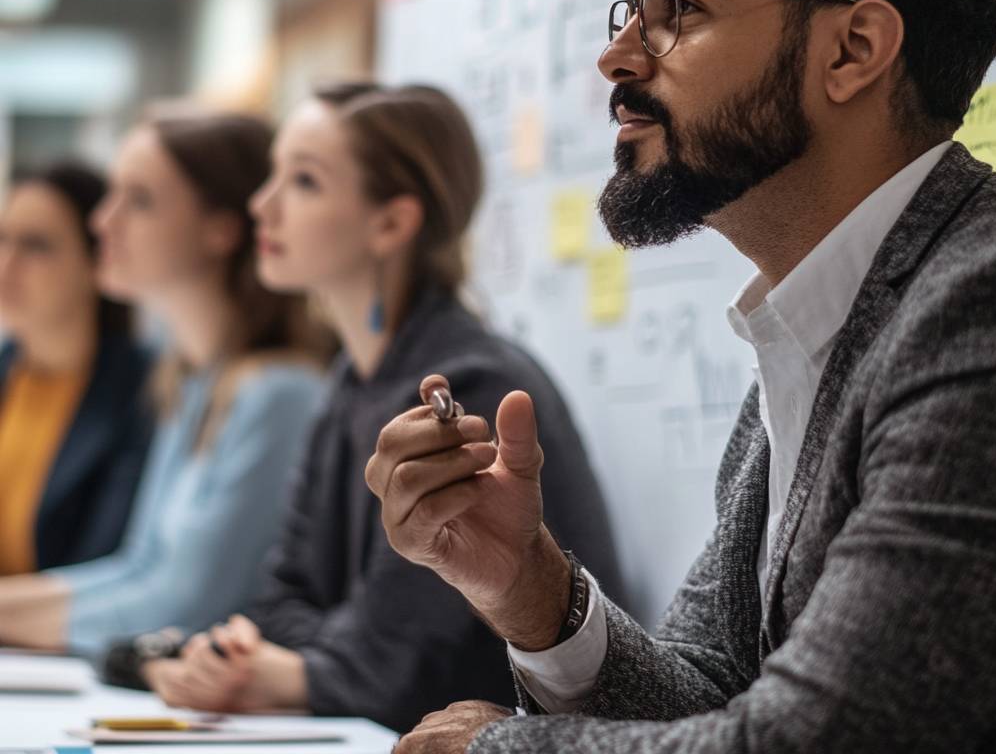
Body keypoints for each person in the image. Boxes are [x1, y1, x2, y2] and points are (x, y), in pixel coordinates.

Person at [366, 0, 996, 753]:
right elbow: (714, 700)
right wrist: (527, 586)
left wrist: (495, 749)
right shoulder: (816, 326)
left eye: (678, 10)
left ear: (852, 50)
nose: (620, 58)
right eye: (629, 12)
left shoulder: (988, 299)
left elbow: (829, 735)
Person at [141, 83, 622, 734]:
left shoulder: (466, 386)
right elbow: (280, 602)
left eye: (303, 182)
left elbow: (396, 669)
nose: (263, 204)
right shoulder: (349, 380)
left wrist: (296, 669)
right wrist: (318, 651)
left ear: (392, 222)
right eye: (273, 177)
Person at [0, 107, 328, 655]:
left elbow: (188, 605)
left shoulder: (278, 392)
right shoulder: (189, 381)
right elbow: (137, 565)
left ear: (220, 230)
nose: (104, 221)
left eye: (141, 200)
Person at [0, 162, 152, 577]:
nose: (6, 265)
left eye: (37, 246)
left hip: (58, 634)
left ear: (96, 260)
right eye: (2, 239)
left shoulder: (146, 392)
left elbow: (106, 562)